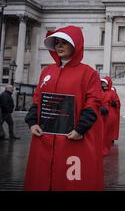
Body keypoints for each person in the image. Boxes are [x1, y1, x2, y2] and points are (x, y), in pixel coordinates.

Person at [23, 25, 104, 190]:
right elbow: (37, 98)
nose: (59, 46)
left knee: (70, 182)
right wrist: (32, 122)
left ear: (75, 45)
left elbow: (93, 102)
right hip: (44, 137)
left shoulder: (88, 73)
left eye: (64, 42)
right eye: (57, 43)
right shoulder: (47, 71)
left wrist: (81, 129)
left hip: (71, 137)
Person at [100, 76, 117, 156]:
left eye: (104, 82)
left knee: (106, 131)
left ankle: (105, 148)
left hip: (109, 114)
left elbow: (117, 103)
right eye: (102, 82)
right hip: (100, 114)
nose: (103, 84)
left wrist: (112, 103)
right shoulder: (99, 91)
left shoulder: (112, 92)